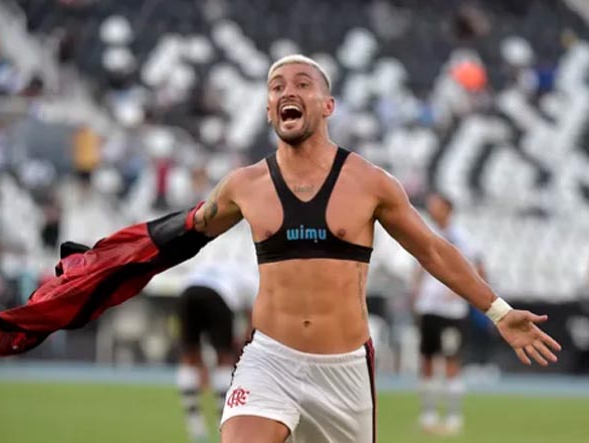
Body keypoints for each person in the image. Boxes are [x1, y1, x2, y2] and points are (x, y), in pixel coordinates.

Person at [187, 54, 561, 443]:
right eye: (277, 86)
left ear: (328, 105)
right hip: (269, 359)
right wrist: (139, 258)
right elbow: (185, 232)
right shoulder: (243, 185)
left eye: (302, 84)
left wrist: (499, 312)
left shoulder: (371, 183)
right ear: (268, 110)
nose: (288, 92)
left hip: (342, 371)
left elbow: (432, 250)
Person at [177, 226, 259, 443]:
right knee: (225, 358)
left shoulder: (211, 262)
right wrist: (244, 344)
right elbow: (253, 318)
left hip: (187, 291)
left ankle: (194, 423)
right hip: (219, 296)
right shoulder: (250, 274)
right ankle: (223, 419)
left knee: (189, 355)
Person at [411, 192, 484, 435]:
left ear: (448, 209)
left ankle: (453, 418)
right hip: (429, 307)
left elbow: (479, 268)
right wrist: (416, 290)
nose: (431, 208)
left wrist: (462, 291)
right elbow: (420, 265)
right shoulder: (427, 234)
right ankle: (428, 416)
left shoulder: (462, 238)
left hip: (451, 311)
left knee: (451, 360)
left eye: (436, 205)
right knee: (427, 360)